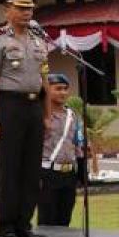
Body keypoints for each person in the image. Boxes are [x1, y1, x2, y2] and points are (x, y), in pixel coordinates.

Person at [0, 0, 52, 237]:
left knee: (31, 169)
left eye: (30, 8)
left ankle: (24, 223)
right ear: (6, 10)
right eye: (20, 8)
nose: (26, 12)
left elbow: (44, 78)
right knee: (8, 169)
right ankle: (7, 226)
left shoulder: (39, 37)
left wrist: (46, 115)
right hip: (9, 106)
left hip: (34, 106)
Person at [38, 73, 85, 227]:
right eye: (58, 89)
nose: (63, 93)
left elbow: (78, 145)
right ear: (46, 90)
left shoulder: (73, 116)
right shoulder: (40, 115)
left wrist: (82, 171)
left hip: (69, 174)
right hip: (47, 173)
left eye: (65, 89)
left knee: (65, 219)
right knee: (47, 221)